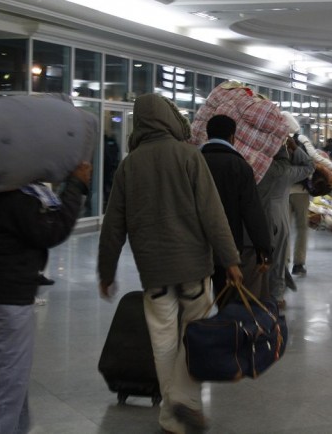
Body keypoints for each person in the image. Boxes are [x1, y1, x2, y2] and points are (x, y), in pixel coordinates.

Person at [97, 93, 243, 434]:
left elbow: (113, 225)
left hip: (154, 271)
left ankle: (171, 414)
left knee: (162, 339)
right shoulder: (188, 155)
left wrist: (106, 271)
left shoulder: (129, 165)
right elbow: (212, 213)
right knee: (194, 336)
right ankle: (183, 400)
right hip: (193, 267)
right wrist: (231, 259)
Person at [0, 160, 91, 434]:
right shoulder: (11, 196)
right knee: (1, 392)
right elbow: (51, 230)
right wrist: (76, 185)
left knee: (9, 386)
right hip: (6, 302)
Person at [200, 114, 272, 298]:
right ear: (233, 136)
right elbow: (252, 211)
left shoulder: (194, 161)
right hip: (228, 247)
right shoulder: (239, 166)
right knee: (226, 299)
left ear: (207, 134)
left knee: (194, 305)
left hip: (195, 245)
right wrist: (263, 249)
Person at [256, 138, 314, 308]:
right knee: (279, 259)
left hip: (257, 217)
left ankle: (258, 292)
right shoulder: (285, 171)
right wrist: (295, 148)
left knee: (258, 257)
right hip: (278, 218)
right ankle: (277, 296)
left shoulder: (256, 167)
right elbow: (310, 166)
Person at [281, 111, 332, 277]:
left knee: (284, 230)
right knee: (302, 228)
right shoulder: (301, 140)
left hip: (281, 192)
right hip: (300, 192)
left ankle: (283, 263)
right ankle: (298, 263)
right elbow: (316, 159)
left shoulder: (276, 141)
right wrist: (327, 165)